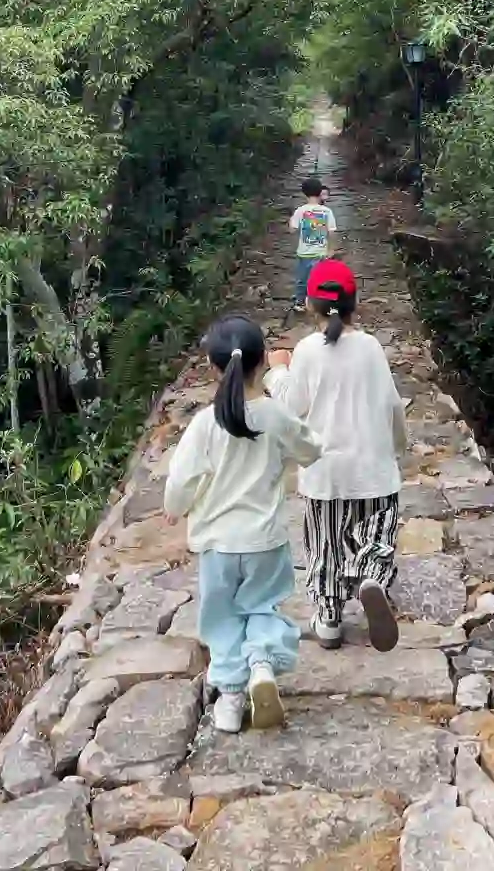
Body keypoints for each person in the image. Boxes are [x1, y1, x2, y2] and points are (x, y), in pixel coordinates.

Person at [162, 315, 321, 734]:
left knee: (223, 618)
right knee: (261, 607)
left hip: (218, 545)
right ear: (264, 361)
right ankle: (263, 664)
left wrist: (175, 507)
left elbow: (181, 480)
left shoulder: (204, 424)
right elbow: (311, 450)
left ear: (215, 368)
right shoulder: (275, 416)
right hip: (265, 541)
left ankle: (231, 698)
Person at [271, 260, 407, 653]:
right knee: (376, 536)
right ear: (355, 304)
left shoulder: (307, 351)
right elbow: (392, 406)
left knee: (326, 547)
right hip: (373, 468)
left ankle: (328, 619)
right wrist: (395, 448)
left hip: (324, 474)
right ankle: (372, 578)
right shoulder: (371, 348)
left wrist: (276, 373)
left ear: (309, 305)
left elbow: (290, 406)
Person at [289, 176, 336, 312]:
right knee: (322, 279)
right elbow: (332, 232)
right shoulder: (327, 211)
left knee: (302, 280)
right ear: (320, 192)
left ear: (304, 193)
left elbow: (292, 230)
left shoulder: (300, 210)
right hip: (321, 252)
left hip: (304, 253)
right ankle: (323, 304)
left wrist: (291, 218)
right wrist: (331, 249)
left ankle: (300, 302)